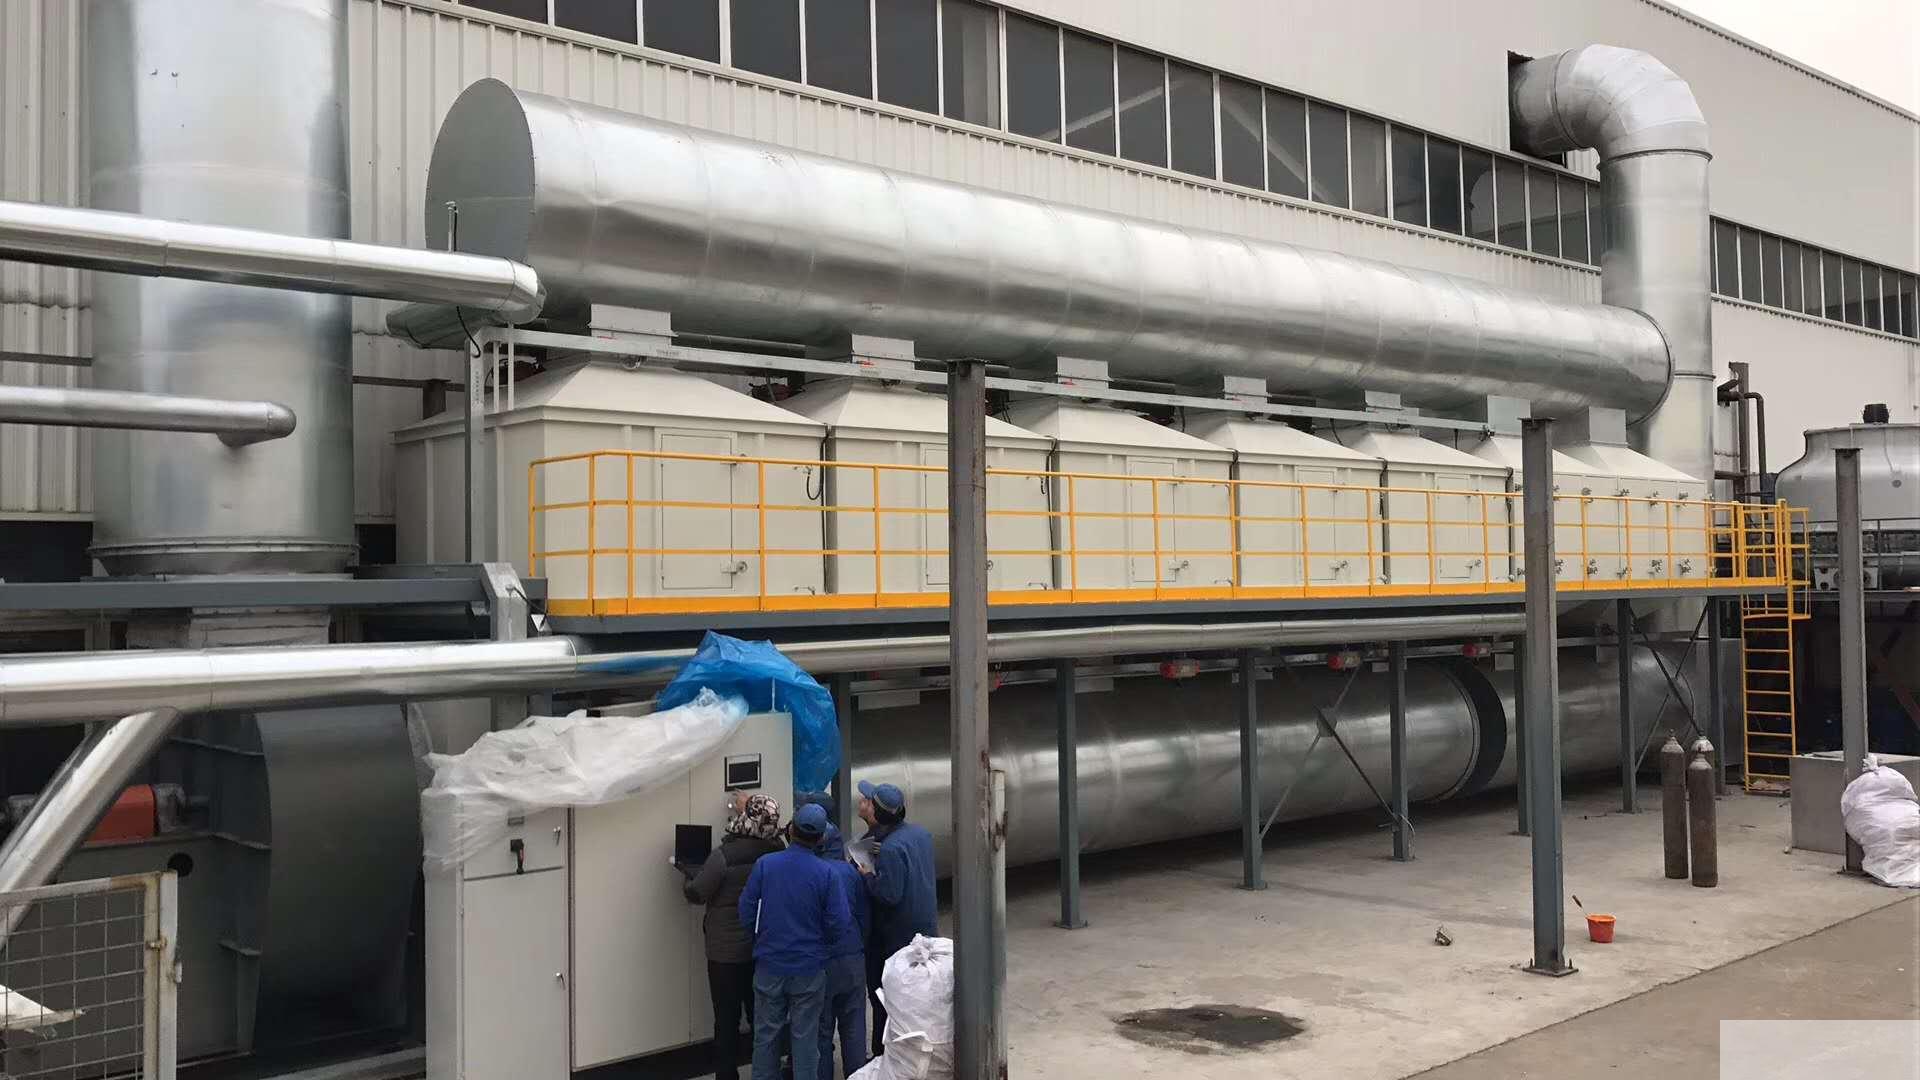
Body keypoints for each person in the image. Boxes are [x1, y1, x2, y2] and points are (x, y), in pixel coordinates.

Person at [738, 803, 855, 1080]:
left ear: (791, 830)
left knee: (766, 1038)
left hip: (770, 965)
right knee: (805, 1040)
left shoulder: (766, 865)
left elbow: (746, 910)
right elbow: (840, 923)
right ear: (821, 838)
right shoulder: (826, 874)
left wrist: (761, 939)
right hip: (809, 969)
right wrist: (821, 946)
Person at [683, 792, 784, 1080]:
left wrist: (687, 874)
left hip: (724, 953)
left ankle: (727, 1075)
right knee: (760, 1017)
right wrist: (748, 806)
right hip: (760, 949)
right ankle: (766, 1072)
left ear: (746, 817)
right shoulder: (777, 850)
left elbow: (697, 893)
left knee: (726, 1021)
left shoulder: (723, 855)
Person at [854, 780, 937, 1056]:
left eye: (868, 801)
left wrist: (868, 876)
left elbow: (889, 895)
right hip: (924, 932)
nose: (862, 802)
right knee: (917, 1002)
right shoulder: (920, 834)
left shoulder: (890, 849)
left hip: (894, 940)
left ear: (877, 813)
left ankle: (884, 1056)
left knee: (884, 999)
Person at [814, 815, 870, 1079]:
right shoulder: (850, 873)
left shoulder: (811, 872)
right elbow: (864, 916)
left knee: (821, 1031)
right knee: (854, 1026)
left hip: (820, 962)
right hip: (852, 959)